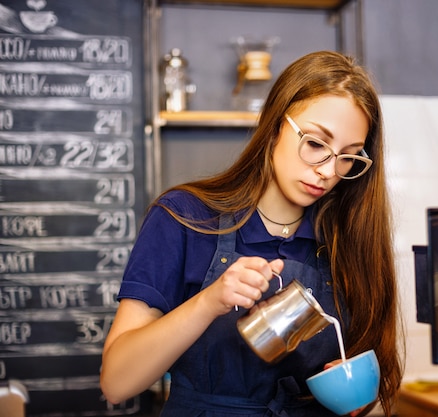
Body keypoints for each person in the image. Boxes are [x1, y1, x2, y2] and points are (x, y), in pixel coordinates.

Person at [100, 51, 404, 417]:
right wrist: (208, 302)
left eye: (348, 157)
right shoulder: (184, 217)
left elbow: (368, 375)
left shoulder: (346, 238)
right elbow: (117, 383)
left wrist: (352, 392)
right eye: (315, 144)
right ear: (276, 124)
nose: (328, 170)